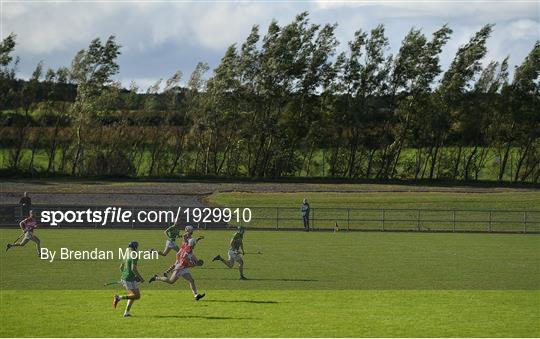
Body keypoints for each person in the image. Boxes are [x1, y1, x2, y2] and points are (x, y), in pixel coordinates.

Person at [113, 241, 145, 317]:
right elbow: (133, 269)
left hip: (129, 278)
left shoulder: (126, 254)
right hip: (128, 279)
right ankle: (118, 297)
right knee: (136, 296)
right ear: (135, 247)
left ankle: (126, 313)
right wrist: (141, 278)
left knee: (134, 296)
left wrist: (124, 276)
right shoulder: (135, 255)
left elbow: (121, 267)